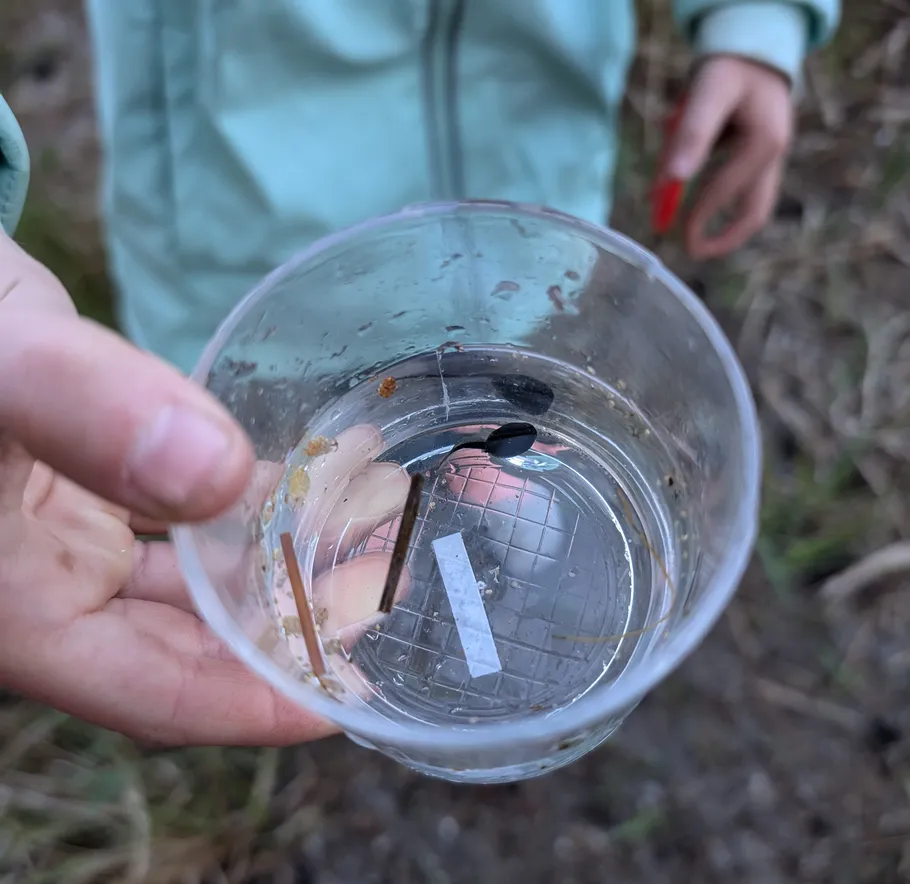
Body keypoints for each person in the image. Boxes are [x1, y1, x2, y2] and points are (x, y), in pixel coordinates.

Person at [0, 0, 840, 746]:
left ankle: (515, 547)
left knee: (496, 458)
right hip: (243, 235)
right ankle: (411, 605)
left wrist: (756, 22)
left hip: (524, 198)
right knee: (260, 492)